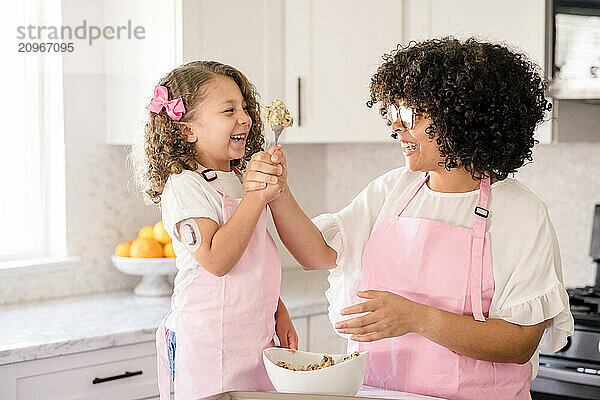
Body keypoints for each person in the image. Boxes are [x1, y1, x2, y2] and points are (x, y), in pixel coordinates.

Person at [242, 38, 574, 399]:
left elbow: (519, 342)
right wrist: (278, 192)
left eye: (411, 115)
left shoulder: (520, 212)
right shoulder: (392, 190)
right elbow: (316, 254)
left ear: (459, 117)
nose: (396, 127)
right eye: (394, 113)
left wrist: (416, 317)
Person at [131, 60, 297, 400]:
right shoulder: (186, 185)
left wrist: (277, 311)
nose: (246, 118)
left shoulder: (238, 179)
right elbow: (217, 260)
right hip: (207, 345)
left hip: (253, 340)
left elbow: (253, 263)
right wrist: (256, 195)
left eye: (245, 107)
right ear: (188, 129)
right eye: (228, 110)